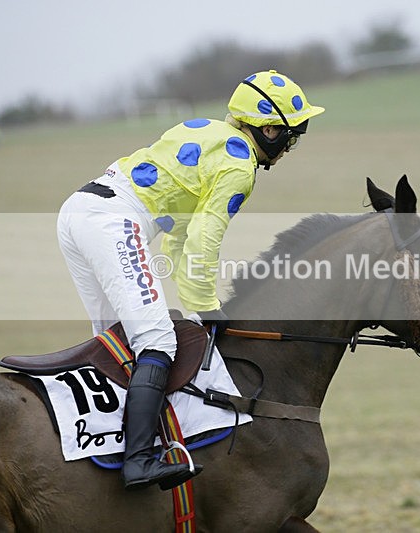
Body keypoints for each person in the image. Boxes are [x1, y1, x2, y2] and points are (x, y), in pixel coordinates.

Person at [56, 70, 324, 491]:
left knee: (118, 340)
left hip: (78, 211)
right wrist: (208, 306)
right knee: (156, 341)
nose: (290, 146)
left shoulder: (209, 133)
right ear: (269, 130)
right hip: (114, 222)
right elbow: (203, 240)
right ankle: (140, 461)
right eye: (290, 135)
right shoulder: (240, 167)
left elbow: (180, 237)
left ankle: (106, 448)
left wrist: (197, 303)